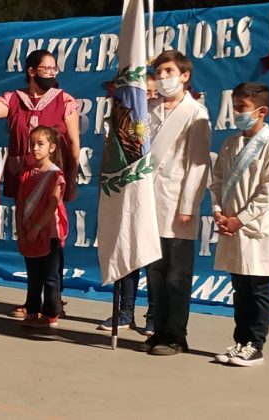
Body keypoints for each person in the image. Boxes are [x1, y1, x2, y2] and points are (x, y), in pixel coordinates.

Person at [0, 49, 81, 319]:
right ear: (32, 71)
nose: (53, 73)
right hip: (24, 180)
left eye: (55, 68)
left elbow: (75, 144)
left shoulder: (65, 100)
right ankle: (33, 300)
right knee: (29, 232)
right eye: (47, 68)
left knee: (52, 234)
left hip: (52, 178)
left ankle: (54, 301)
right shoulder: (14, 99)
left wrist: (73, 177)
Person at [138, 50, 211, 356]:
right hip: (149, 201)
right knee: (155, 272)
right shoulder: (149, 110)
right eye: (159, 72)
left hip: (178, 204)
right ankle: (159, 328)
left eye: (169, 71)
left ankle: (176, 335)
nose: (163, 77)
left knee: (177, 275)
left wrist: (188, 205)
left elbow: (197, 164)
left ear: (184, 76)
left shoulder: (196, 114)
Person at [210, 83, 269, 367]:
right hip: (230, 227)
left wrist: (240, 219)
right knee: (240, 288)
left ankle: (256, 344)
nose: (236, 113)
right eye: (235, 107)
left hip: (254, 229)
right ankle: (241, 341)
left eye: (241, 108)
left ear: (261, 111)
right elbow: (217, 181)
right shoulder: (230, 143)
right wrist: (218, 212)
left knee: (258, 289)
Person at [97, 73, 159, 335]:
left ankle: (154, 315)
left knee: (153, 258)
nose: (150, 97)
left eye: (152, 92)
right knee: (126, 251)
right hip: (126, 193)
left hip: (154, 196)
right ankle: (125, 313)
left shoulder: (161, 120)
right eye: (145, 93)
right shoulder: (118, 120)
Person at [16, 126, 68, 329]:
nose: (35, 148)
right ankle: (32, 309)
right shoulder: (27, 174)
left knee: (50, 276)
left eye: (40, 144)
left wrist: (37, 227)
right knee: (33, 275)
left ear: (52, 147)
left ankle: (50, 313)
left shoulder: (56, 175)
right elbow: (20, 202)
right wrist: (21, 229)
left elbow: (52, 205)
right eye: (32, 144)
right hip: (29, 230)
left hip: (48, 232)